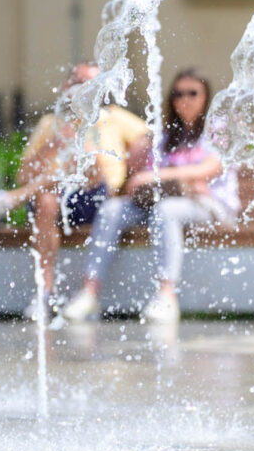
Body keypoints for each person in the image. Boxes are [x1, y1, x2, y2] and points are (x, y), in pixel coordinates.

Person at [60, 68, 239, 326]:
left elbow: (210, 169)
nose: (184, 99)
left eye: (192, 93)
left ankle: (167, 295)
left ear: (206, 97)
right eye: (178, 94)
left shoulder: (219, 130)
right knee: (112, 210)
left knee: (166, 212)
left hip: (209, 204)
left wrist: (161, 176)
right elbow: (146, 177)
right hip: (165, 201)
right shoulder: (166, 136)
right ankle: (89, 291)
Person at [0, 63, 150, 319]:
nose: (82, 88)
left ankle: (7, 201)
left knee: (85, 156)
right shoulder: (50, 123)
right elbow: (23, 175)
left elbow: (152, 138)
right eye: (77, 81)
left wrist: (134, 159)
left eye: (89, 82)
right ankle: (45, 294)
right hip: (57, 200)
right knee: (46, 198)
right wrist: (56, 142)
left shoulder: (114, 117)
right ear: (66, 86)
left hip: (98, 197)